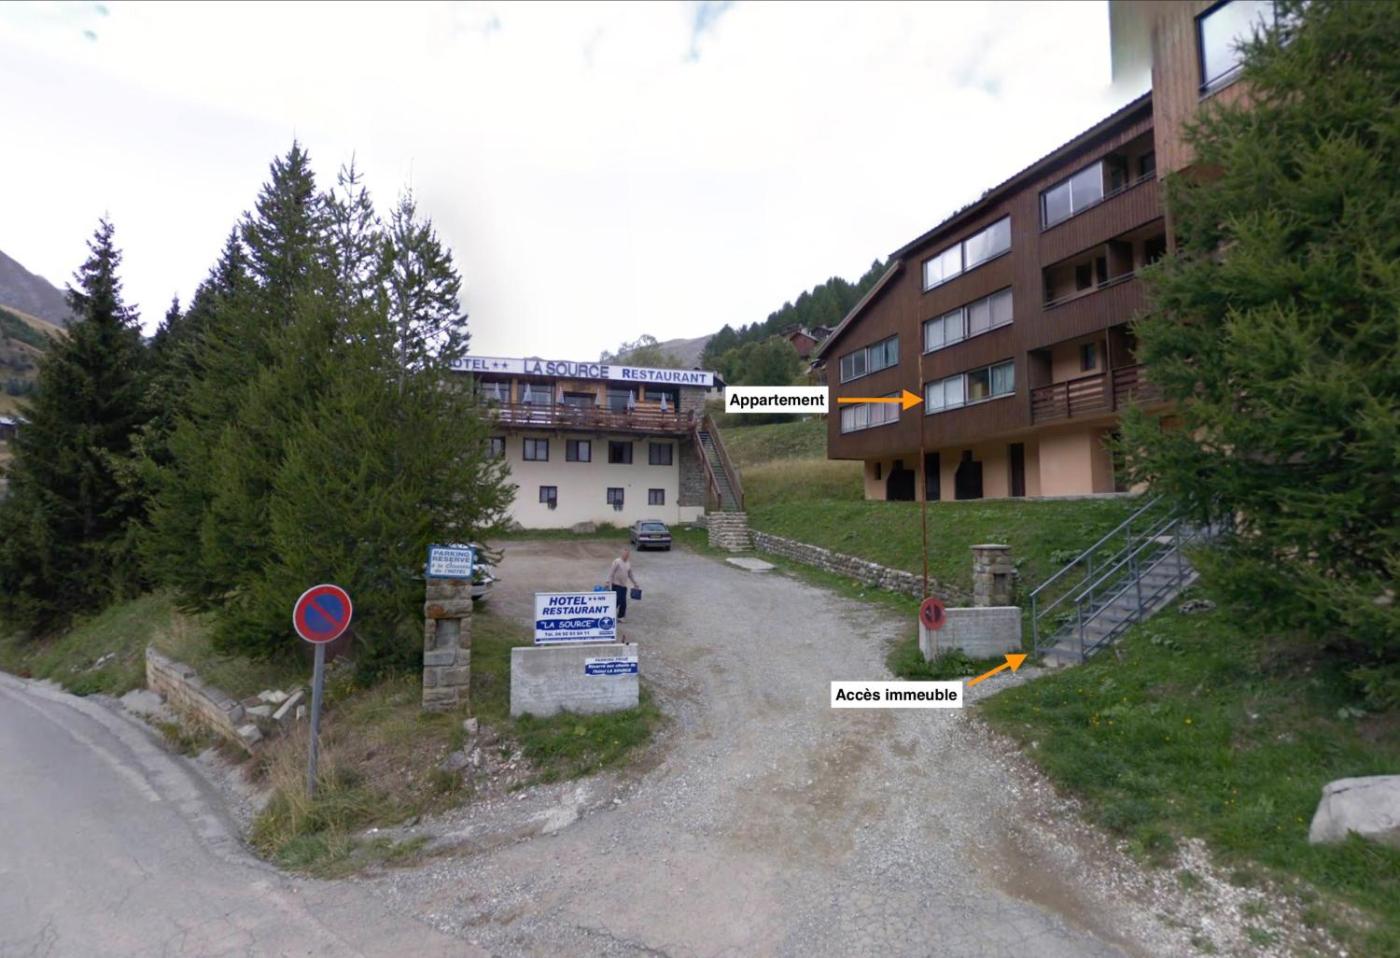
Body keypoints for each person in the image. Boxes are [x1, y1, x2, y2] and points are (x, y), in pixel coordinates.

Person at [607, 546, 640, 620]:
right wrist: (608, 582)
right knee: (618, 601)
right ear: (622, 554)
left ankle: (620, 617)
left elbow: (630, 574)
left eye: (627, 554)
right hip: (616, 585)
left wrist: (635, 583)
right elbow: (611, 572)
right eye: (625, 554)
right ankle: (608, 614)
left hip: (624, 586)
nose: (626, 556)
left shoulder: (628, 563)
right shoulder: (617, 561)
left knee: (623, 603)